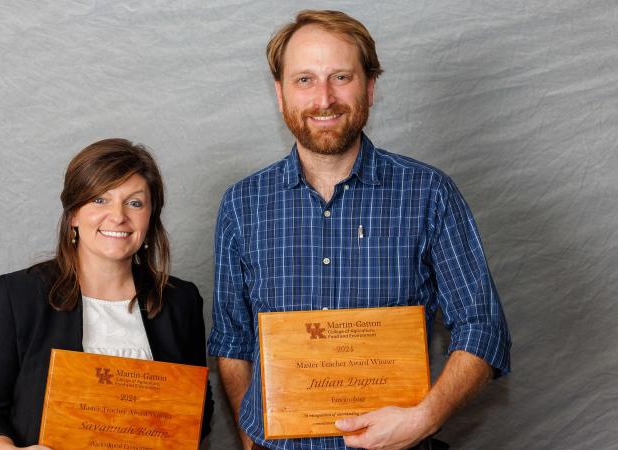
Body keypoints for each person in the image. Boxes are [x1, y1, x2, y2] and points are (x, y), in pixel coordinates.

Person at [208, 10, 511, 450]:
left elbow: (483, 327)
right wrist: (251, 440)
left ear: (369, 87)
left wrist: (423, 420)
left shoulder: (429, 193)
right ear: (280, 94)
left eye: (341, 77)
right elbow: (232, 342)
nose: (324, 98)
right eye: (305, 80)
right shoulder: (241, 204)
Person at [0, 138, 214, 450]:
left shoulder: (180, 300)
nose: (118, 216)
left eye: (134, 203)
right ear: (74, 215)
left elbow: (198, 408)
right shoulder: (18, 296)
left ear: (151, 217)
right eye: (100, 200)